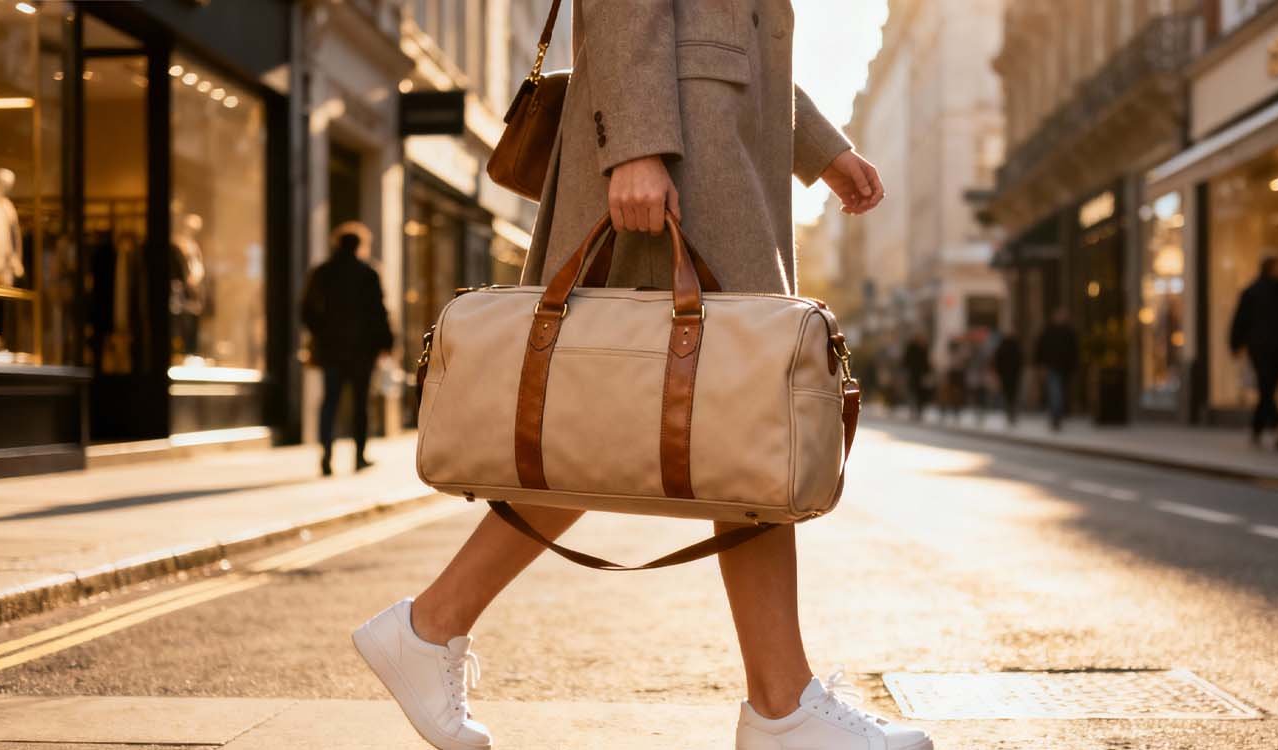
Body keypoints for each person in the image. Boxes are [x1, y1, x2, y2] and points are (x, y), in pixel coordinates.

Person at [351, 3, 933, 750]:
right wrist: (634, 144)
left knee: (716, 430)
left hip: (712, 138)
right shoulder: (650, 142)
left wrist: (819, 147)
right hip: (678, 143)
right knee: (716, 417)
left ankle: (777, 703)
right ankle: (778, 708)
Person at [301, 223, 394, 477]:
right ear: (360, 246)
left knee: (330, 401)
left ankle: (326, 456)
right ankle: (359, 457)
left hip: (331, 349)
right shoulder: (368, 273)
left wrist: (321, 333)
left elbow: (306, 310)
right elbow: (379, 312)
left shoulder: (322, 272)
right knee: (360, 404)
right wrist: (386, 344)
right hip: (362, 351)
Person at [1230, 256, 1278, 450]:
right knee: (1266, 385)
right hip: (1263, 347)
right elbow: (1241, 319)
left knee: (1267, 387)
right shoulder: (1255, 292)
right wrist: (1236, 343)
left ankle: (1257, 427)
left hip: (1273, 347)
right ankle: (1277, 425)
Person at [1035, 309, 1079, 431]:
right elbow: (1040, 348)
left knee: (1060, 392)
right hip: (1052, 367)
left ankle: (1058, 415)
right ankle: (1055, 417)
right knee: (1056, 392)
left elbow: (1074, 351)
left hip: (1065, 369)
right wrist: (1041, 365)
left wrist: (1074, 366)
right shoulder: (1048, 331)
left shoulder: (1069, 332)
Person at [992, 330, 1023, 427]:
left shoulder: (1003, 346)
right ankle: (1011, 412)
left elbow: (997, 361)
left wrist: (999, 373)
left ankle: (1010, 412)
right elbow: (1020, 360)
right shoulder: (1016, 346)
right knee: (1013, 394)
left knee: (1008, 394)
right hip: (1013, 375)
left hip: (1006, 375)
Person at [903, 332, 934, 421]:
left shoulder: (924, 348)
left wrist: (928, 371)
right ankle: (913, 410)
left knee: (921, 393)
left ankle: (919, 410)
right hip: (913, 374)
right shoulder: (911, 348)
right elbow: (906, 361)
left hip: (922, 375)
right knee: (913, 392)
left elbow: (926, 362)